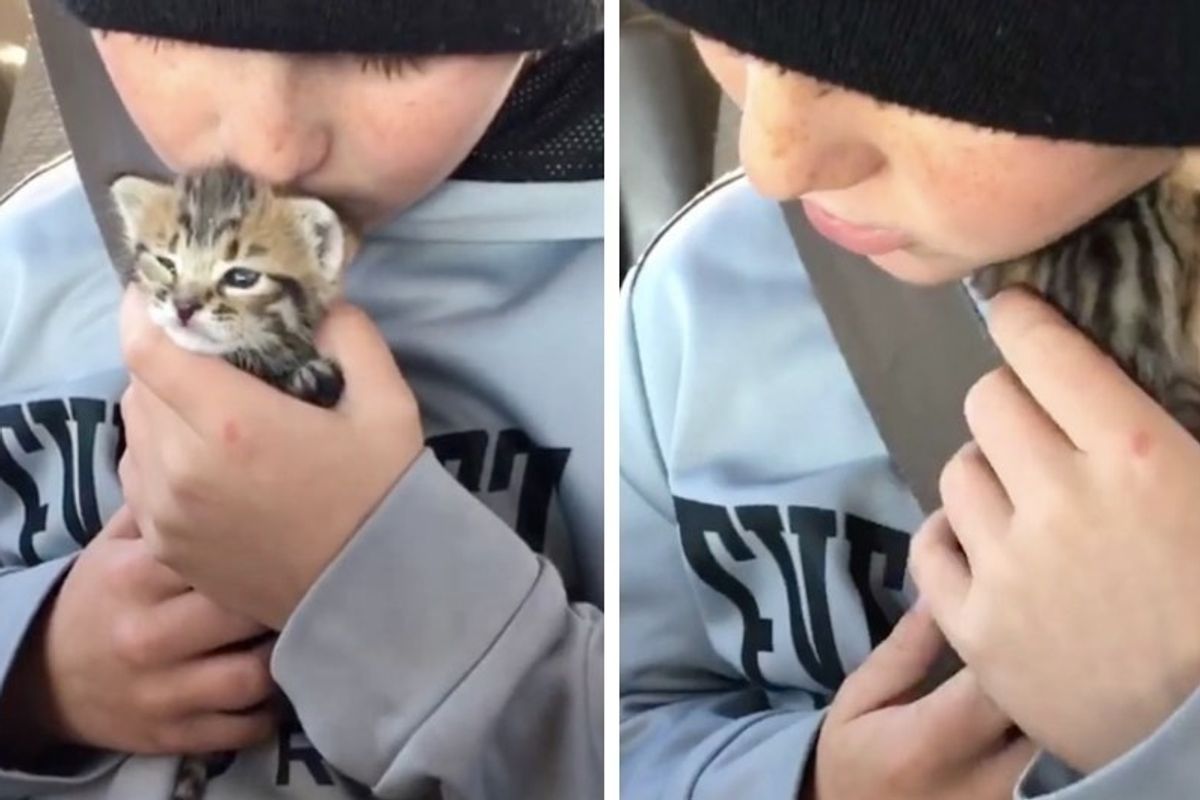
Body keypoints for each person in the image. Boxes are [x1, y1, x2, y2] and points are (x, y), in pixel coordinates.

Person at [0, 2, 603, 798]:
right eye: (172, 23)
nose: (266, 145)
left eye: (395, 45)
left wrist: (383, 589)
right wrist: (34, 672)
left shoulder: (623, 310)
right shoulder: (22, 265)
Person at [620, 2, 1200, 798]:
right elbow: (624, 722)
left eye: (909, 53)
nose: (771, 161)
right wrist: (807, 782)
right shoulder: (698, 301)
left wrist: (1169, 733)